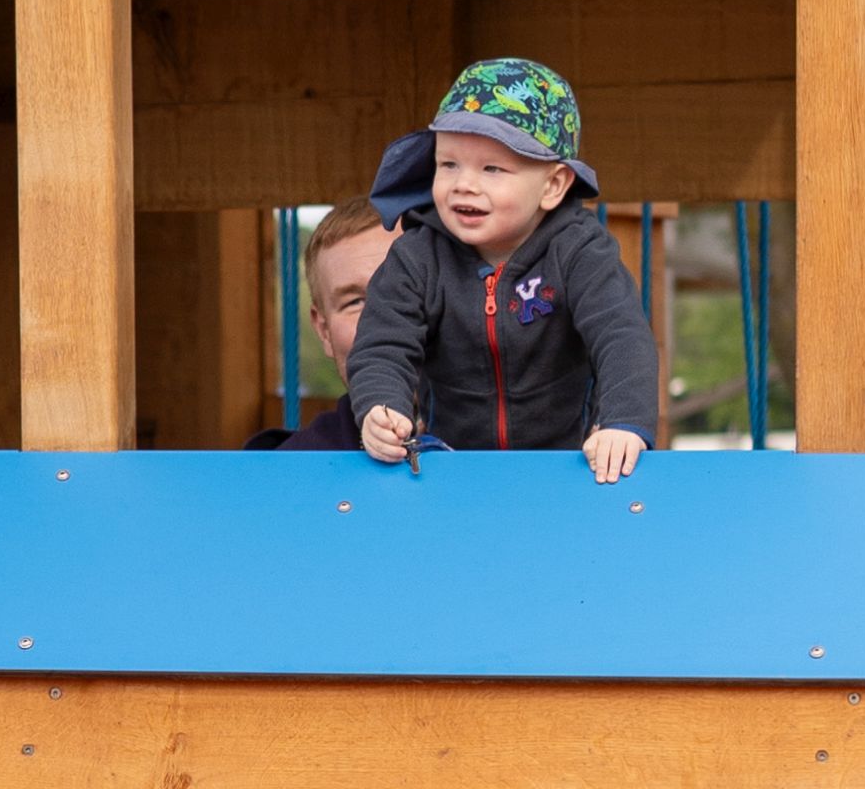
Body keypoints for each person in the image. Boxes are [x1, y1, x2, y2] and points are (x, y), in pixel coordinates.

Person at [347, 59, 657, 485]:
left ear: (553, 186)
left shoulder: (580, 250)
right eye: (448, 164)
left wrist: (622, 423)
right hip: (451, 469)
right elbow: (383, 344)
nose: (464, 184)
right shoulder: (418, 257)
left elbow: (621, 335)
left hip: (568, 468)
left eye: (492, 169)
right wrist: (381, 409)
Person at [246, 135, 436, 449]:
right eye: (356, 301)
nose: (383, 317)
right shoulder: (287, 475)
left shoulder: (533, 451)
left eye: (410, 292)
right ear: (323, 330)